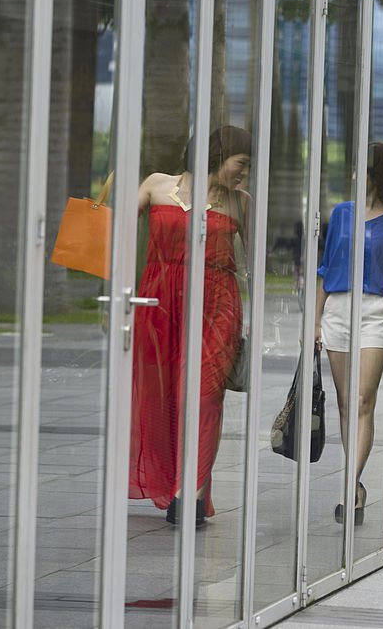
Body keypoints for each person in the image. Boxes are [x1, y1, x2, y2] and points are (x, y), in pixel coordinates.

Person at [129, 125, 252, 527]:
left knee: (203, 396)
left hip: (218, 302)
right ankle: (175, 480)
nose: (244, 174)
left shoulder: (240, 203)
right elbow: (117, 237)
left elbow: (256, 264)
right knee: (162, 395)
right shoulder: (156, 186)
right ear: (218, 155)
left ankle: (192, 492)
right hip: (160, 300)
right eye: (242, 164)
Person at [314, 142, 383, 525]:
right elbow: (324, 270)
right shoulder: (342, 214)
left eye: (360, 169)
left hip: (377, 313)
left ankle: (349, 484)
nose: (353, 176)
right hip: (338, 310)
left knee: (364, 400)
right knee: (346, 402)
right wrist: (314, 321)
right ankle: (357, 485)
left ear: (376, 175)